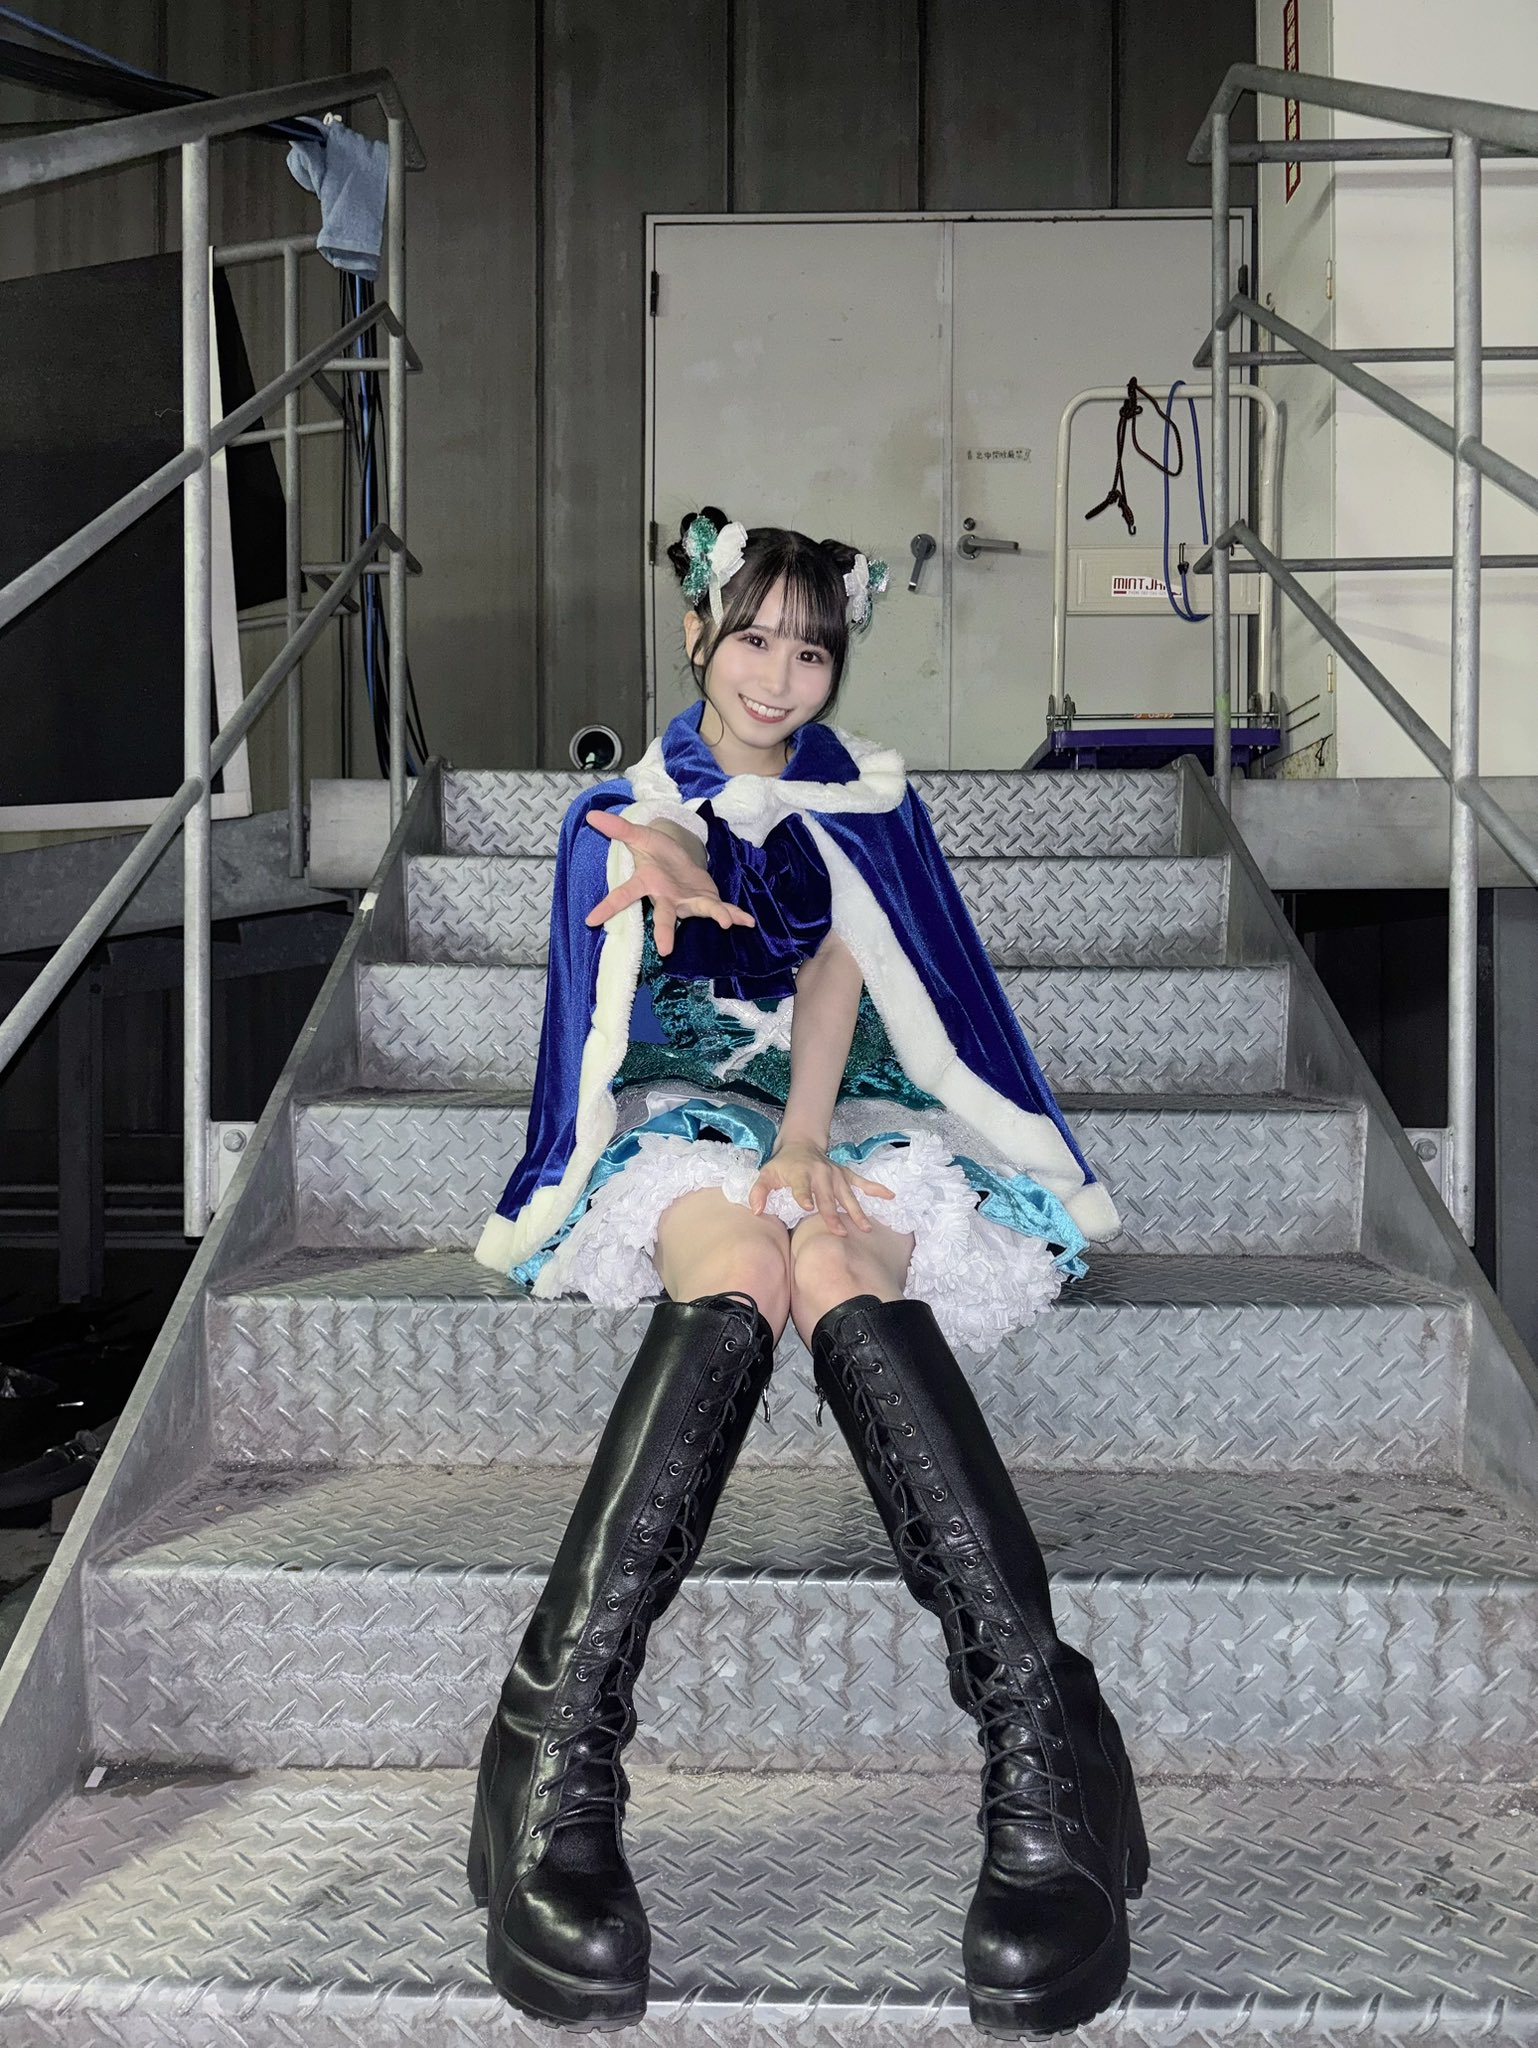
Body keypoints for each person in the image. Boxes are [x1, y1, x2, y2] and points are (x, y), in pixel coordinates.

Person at [466, 508, 1145, 2036]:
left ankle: (1043, 1759)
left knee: (830, 1255)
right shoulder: (633, 801)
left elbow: (845, 966)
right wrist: (656, 851)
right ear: (698, 634)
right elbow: (642, 843)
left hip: (854, 1100)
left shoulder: (868, 803)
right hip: (693, 1100)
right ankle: (553, 1751)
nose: (778, 677)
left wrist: (802, 1141)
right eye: (754, 639)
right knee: (738, 1277)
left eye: (812, 651)